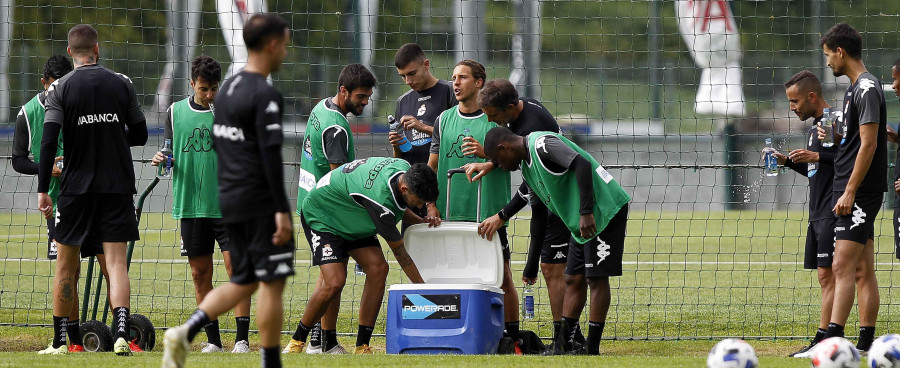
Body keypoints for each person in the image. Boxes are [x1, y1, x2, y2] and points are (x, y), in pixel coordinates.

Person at [162, 13, 293, 368]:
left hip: (228, 201)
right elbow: (268, 158)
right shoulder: (263, 94)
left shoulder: (230, 93)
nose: (287, 48)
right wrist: (281, 210)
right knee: (269, 281)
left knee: (245, 279)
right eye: (285, 41)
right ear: (271, 45)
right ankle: (268, 361)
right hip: (253, 203)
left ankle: (186, 333)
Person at [36, 24, 149, 356]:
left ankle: (61, 343)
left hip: (75, 189)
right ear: (96, 49)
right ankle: (121, 336)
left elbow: (46, 143)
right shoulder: (121, 83)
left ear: (70, 52)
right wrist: (111, 136)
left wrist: (44, 188)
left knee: (66, 266)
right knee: (115, 263)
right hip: (116, 186)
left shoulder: (60, 89)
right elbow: (140, 135)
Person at [482, 126, 631, 356]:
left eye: (497, 160)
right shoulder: (527, 169)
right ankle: (562, 346)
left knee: (596, 279)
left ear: (504, 148)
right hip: (579, 223)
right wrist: (532, 263)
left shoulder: (542, 145)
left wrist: (585, 211)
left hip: (602, 213)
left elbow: (581, 163)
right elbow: (539, 214)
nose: (499, 166)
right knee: (572, 278)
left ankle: (592, 350)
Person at [467, 78, 583, 345]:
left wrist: (502, 215)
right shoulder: (523, 109)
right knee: (553, 268)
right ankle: (567, 338)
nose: (493, 122)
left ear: (509, 107)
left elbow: (532, 190)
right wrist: (493, 162)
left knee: (554, 269)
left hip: (563, 200)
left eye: (494, 116)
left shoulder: (532, 128)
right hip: (554, 198)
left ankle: (566, 340)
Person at [150, 55, 251, 354]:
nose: (209, 95)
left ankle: (242, 340)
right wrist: (162, 160)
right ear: (192, 84)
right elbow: (168, 155)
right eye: (204, 89)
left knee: (237, 268)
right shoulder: (174, 111)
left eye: (214, 89)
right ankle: (213, 341)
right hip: (192, 206)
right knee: (200, 273)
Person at [288, 158, 438, 355]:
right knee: (334, 281)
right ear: (404, 188)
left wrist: (420, 220)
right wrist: (425, 293)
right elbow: (401, 255)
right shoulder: (380, 201)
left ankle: (361, 346)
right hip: (323, 216)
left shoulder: (403, 168)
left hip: (352, 217)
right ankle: (296, 341)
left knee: (379, 269)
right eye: (418, 201)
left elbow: (399, 209)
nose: (419, 205)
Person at [18, 55, 110, 354]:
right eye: (54, 84)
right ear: (44, 82)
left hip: (91, 196)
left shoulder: (79, 102)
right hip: (58, 202)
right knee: (68, 271)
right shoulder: (28, 113)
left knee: (109, 263)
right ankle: (72, 342)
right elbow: (19, 160)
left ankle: (123, 335)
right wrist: (46, 171)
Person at [426, 60, 521, 350]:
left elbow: (516, 163)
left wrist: (488, 155)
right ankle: (452, 335)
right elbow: (432, 165)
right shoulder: (443, 120)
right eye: (453, 77)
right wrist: (431, 203)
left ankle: (512, 338)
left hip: (488, 214)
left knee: (502, 278)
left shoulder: (495, 119)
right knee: (448, 278)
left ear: (479, 83)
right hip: (450, 214)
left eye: (463, 77)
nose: (455, 83)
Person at [288, 63, 376, 355]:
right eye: (361, 97)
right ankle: (314, 340)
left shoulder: (322, 108)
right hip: (327, 211)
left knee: (339, 275)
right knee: (334, 278)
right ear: (344, 91)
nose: (365, 102)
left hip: (315, 202)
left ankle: (325, 341)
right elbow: (340, 180)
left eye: (367, 97)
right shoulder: (336, 127)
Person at [818, 22, 887, 353]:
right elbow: (851, 141)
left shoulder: (866, 88)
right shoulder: (852, 90)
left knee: (840, 265)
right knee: (861, 268)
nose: (828, 62)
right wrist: (831, 137)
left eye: (829, 55)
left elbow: (869, 144)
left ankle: (832, 341)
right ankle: (863, 345)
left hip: (858, 193)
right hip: (851, 190)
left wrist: (849, 191)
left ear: (840, 52)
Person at [766, 71, 837, 357]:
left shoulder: (831, 121)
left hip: (833, 209)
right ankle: (826, 337)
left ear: (811, 96)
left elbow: (847, 158)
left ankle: (826, 338)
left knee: (829, 275)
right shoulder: (813, 128)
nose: (792, 107)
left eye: (795, 101)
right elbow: (815, 170)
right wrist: (787, 161)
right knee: (824, 277)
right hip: (817, 211)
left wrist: (817, 156)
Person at [389, 43, 456, 232]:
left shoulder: (450, 92)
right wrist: (396, 145)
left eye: (412, 73)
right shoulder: (402, 101)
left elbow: (455, 139)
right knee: (412, 248)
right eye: (402, 76)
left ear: (426, 65)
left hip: (442, 188)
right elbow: (400, 160)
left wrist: (424, 127)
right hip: (412, 193)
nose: (408, 81)